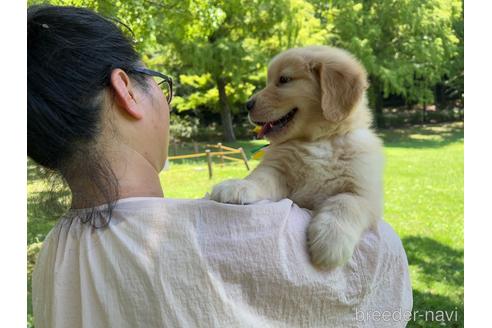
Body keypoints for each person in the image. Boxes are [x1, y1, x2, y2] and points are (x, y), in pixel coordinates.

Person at [28, 5, 412, 328]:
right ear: (127, 91)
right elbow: (383, 295)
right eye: (158, 83)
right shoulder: (262, 238)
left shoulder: (51, 259)